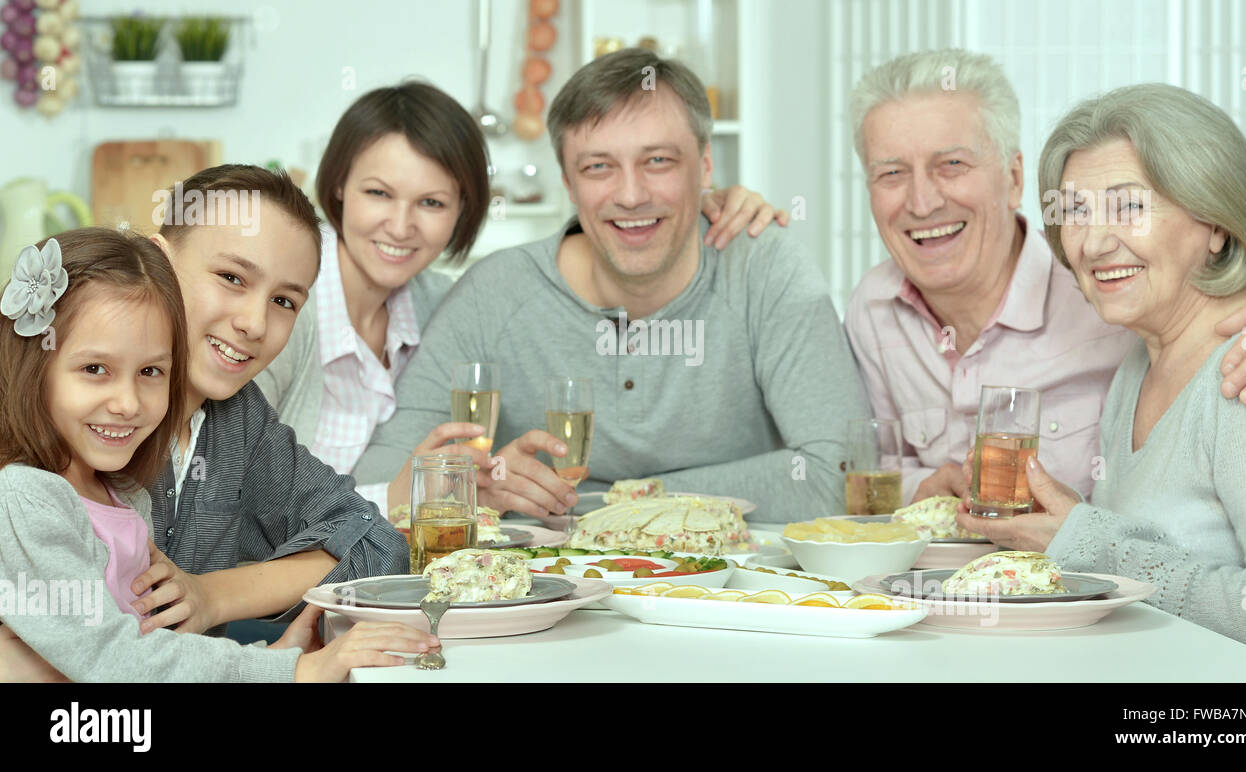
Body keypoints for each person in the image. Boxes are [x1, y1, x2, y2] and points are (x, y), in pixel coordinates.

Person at [351, 49, 868, 522]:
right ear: (569, 183)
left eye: (658, 161)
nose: (631, 193)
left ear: (706, 164)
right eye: (599, 167)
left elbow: (842, 477)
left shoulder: (767, 271)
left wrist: (611, 505)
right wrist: (472, 487)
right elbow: (377, 483)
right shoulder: (494, 295)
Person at [255, 80, 791, 514]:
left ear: (463, 210)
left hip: (354, 565)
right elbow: (224, 492)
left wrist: (698, 203)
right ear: (338, 186)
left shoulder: (436, 303)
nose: (401, 225)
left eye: (432, 202)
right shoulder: (282, 306)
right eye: (378, 193)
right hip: (267, 579)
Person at [843, 49, 1246, 505]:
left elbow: (1210, 290)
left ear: (1014, 178)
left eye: (953, 165)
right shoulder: (873, 309)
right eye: (891, 173)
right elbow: (862, 474)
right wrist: (918, 491)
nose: (922, 203)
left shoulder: (1111, 296)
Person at [954, 84, 1246, 665]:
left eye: (1129, 207)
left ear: (1215, 222)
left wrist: (1086, 543)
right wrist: (1065, 524)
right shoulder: (1138, 364)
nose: (1094, 241)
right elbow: (1163, 554)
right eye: (1076, 212)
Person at [0, 228, 436, 680]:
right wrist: (293, 672)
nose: (127, 403)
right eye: (95, 369)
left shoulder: (124, 492)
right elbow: (116, 659)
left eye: (150, 371)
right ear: (35, 368)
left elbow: (147, 646)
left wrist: (272, 658)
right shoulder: (26, 499)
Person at [129, 164, 433, 638]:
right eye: (232, 277)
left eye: (285, 301)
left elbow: (375, 544)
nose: (255, 323)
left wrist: (210, 596)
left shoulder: (240, 421)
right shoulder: (90, 415)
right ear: (157, 261)